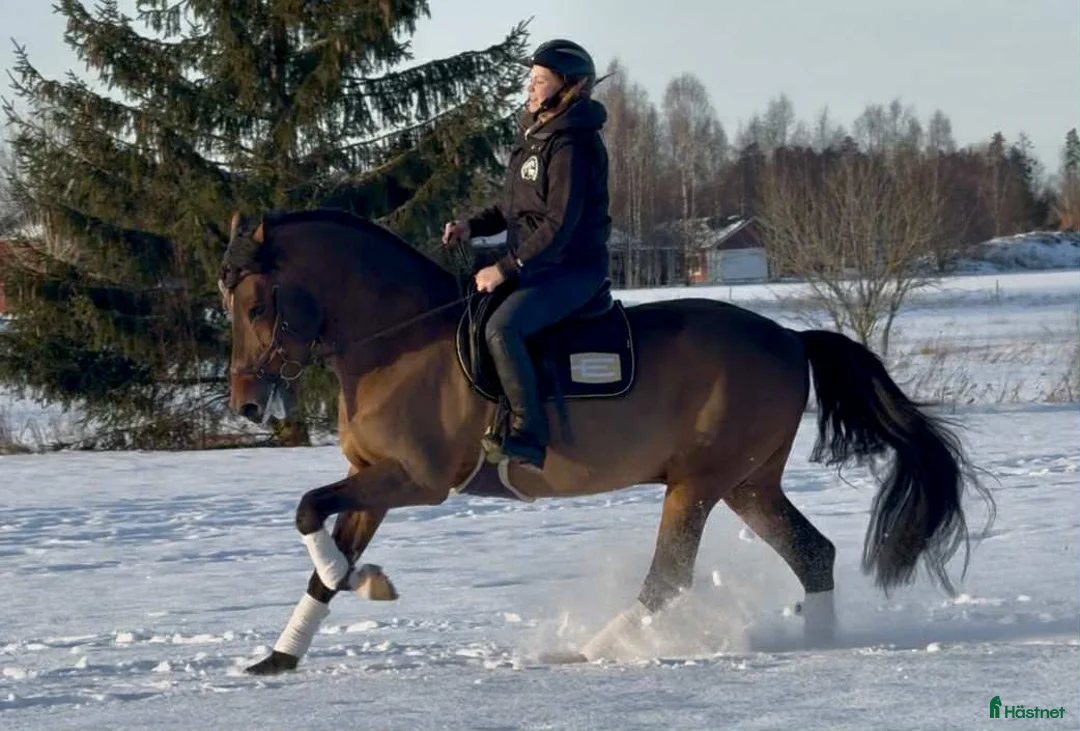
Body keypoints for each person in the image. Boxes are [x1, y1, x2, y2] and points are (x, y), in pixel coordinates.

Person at [442, 39, 612, 472]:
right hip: (538, 265)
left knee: (502, 328)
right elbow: (511, 208)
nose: (529, 88)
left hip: (571, 270)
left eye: (539, 80)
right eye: (530, 79)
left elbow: (560, 225)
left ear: (567, 86)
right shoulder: (535, 138)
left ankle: (529, 435)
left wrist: (505, 268)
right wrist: (470, 227)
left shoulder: (571, 145)